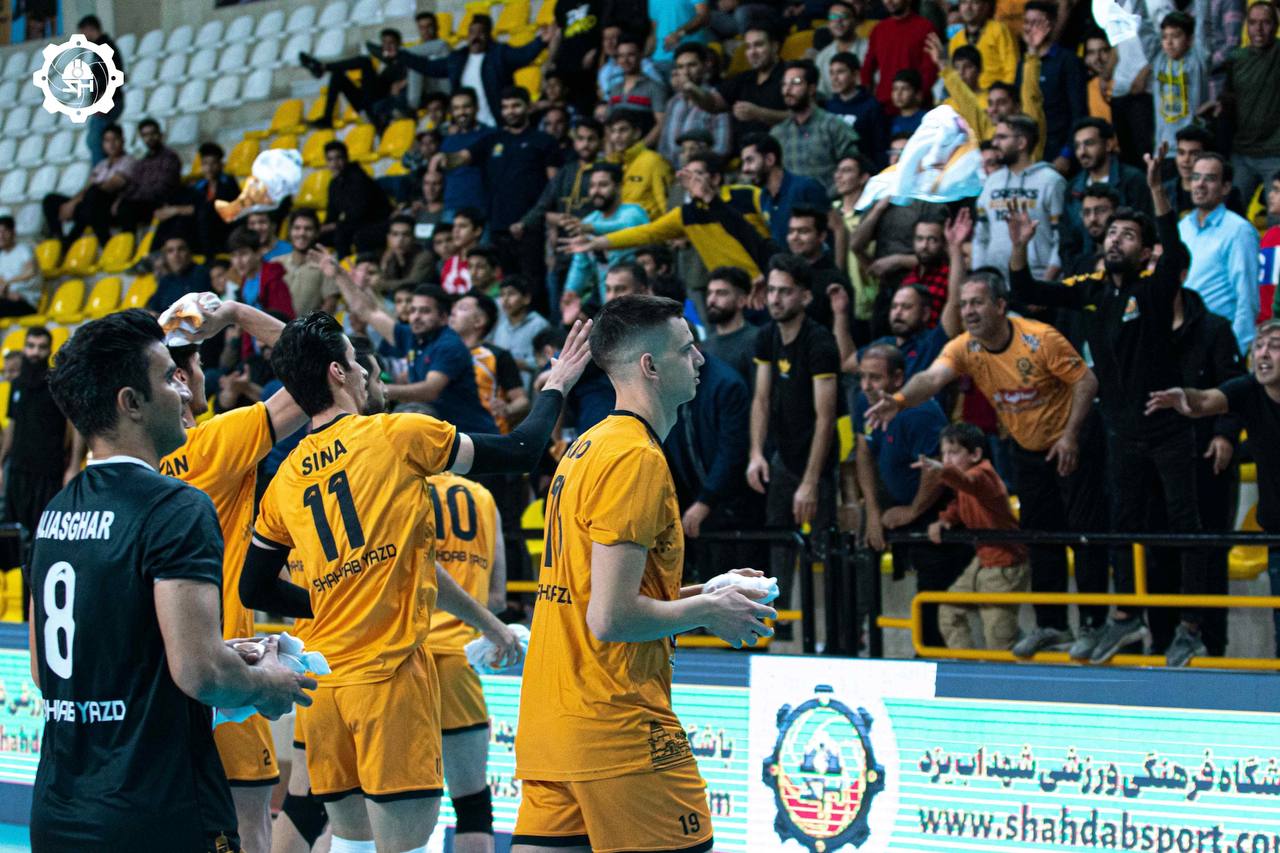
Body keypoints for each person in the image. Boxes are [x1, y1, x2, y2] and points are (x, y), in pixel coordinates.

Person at [238, 311, 593, 852]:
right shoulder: (396, 434)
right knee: (410, 842)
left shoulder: (285, 479)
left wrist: (333, 600)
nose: (365, 372)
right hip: (389, 676)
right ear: (338, 371)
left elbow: (254, 589)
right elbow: (522, 451)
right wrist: (557, 385)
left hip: (327, 684)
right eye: (356, 361)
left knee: (351, 842)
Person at [31, 310, 312, 851]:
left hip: (61, 808)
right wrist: (268, 684)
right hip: (158, 807)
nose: (182, 391)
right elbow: (201, 674)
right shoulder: (176, 506)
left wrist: (218, 649)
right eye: (167, 378)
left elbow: (51, 674)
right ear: (130, 403)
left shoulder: (56, 511)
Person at [512, 295, 775, 852]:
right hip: (618, 726)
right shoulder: (634, 458)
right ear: (650, 366)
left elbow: (593, 591)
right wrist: (708, 612)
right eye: (686, 349)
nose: (700, 359)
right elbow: (611, 618)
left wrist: (708, 590)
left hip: (551, 726)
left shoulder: (586, 446)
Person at [1007, 150, 1212, 666]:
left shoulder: (1156, 287)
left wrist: (1157, 190)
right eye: (1112, 233)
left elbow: (1175, 253)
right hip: (1121, 431)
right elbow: (1027, 289)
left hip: (1167, 429)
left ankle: (1191, 626)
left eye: (1128, 235)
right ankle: (1124, 618)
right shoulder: (1092, 290)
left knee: (1185, 526)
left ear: (1146, 251)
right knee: (1120, 526)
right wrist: (1020, 248)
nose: (1116, 240)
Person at [865, 267, 1103, 661]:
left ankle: (1094, 624)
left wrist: (1071, 436)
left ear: (1001, 305)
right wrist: (900, 400)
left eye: (977, 302)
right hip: (1028, 450)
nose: (969, 311)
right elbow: (931, 378)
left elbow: (1087, 382)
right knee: (1040, 538)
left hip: (1072, 444)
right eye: (963, 305)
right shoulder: (965, 347)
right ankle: (1053, 625)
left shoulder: (1039, 338)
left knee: (1084, 536)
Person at [154, 298, 307, 853]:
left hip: (149, 682)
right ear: (179, 380)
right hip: (224, 667)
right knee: (248, 828)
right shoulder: (214, 443)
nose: (203, 374)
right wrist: (239, 315)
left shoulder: (112, 471)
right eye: (196, 364)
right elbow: (316, 373)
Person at [1147, 319, 1280, 656]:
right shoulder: (1249, 390)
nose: (1263, 354)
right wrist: (1185, 396)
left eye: (1275, 346)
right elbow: (1206, 400)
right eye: (1259, 346)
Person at [748, 254, 839, 617]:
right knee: (779, 546)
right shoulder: (766, 336)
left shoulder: (820, 342)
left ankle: (831, 630)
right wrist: (756, 453)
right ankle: (779, 626)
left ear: (805, 296)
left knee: (822, 549)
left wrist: (811, 482)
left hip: (819, 464)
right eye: (771, 290)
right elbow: (761, 399)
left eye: (785, 291)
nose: (775, 298)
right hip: (782, 457)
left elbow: (826, 417)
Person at [853, 343, 957, 648]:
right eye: (862, 377)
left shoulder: (921, 412)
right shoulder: (864, 401)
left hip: (935, 507)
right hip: (893, 498)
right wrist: (873, 512)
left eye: (875, 378)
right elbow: (863, 452)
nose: (866, 385)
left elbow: (935, 471)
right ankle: (853, 637)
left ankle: (932, 655)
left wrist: (912, 511)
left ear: (898, 379)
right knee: (857, 551)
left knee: (932, 593)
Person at [425, 472, 506, 853]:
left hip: (399, 658)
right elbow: (497, 597)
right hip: (459, 657)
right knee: (473, 806)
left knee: (361, 804)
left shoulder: (394, 485)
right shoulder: (483, 497)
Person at [565, 153, 773, 288]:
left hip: (766, 281)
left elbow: (774, 230)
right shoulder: (687, 214)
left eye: (697, 175)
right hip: (728, 290)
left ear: (715, 178)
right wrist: (596, 242)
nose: (690, 182)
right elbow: (645, 233)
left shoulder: (747, 195)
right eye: (687, 176)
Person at [334, 264, 497, 434]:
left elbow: (429, 391)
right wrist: (338, 274)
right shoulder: (414, 335)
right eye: (413, 310)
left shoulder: (449, 344)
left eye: (425, 311)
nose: (416, 317)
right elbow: (368, 311)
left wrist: (377, 389)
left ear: (444, 317)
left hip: (474, 435)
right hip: (444, 433)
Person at [919, 421, 1029, 650]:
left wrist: (942, 470)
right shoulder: (965, 481)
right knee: (948, 611)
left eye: (953, 453)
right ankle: (966, 665)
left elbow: (969, 483)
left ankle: (1007, 659)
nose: (947, 459)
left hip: (1004, 565)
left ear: (976, 454)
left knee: (999, 641)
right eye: (944, 454)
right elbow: (961, 501)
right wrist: (945, 520)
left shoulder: (983, 475)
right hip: (983, 560)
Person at [435, 87, 561, 282]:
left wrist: (549, 223)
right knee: (505, 283)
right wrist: (442, 159)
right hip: (499, 226)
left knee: (534, 283)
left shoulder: (544, 141)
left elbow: (554, 186)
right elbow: (461, 157)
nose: (510, 111)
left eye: (516, 106)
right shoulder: (492, 140)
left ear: (528, 107)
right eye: (505, 107)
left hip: (532, 226)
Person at [664, 339, 759, 583]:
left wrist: (705, 501)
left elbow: (732, 452)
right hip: (693, 501)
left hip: (732, 507)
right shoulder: (671, 384)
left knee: (735, 584)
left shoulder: (726, 384)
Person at [1178, 152, 1261, 354]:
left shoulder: (1239, 230)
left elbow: (1247, 298)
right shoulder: (1182, 227)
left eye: (1210, 178)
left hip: (1219, 343)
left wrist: (1236, 351)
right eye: (1196, 177)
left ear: (1225, 187)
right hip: (1183, 340)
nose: (1200, 184)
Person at [411, 14, 555, 128]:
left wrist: (541, 41)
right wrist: (403, 56)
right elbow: (429, 67)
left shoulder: (499, 54)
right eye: (472, 32)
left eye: (481, 32)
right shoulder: (458, 58)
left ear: (489, 35)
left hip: (497, 124)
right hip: (469, 127)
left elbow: (523, 54)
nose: (476, 36)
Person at [1, 327, 70, 552]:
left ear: (49, 350)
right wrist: (1, 463)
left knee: (43, 536)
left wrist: (71, 465)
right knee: (14, 536)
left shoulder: (56, 383)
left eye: (41, 347)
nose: (35, 352)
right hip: (19, 470)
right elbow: (12, 425)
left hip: (48, 471)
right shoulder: (17, 384)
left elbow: (72, 426)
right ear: (24, 348)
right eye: (31, 346)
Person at [972, 114, 1066, 280]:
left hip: (1037, 278)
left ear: (1021, 142)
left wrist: (1046, 283)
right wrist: (980, 276)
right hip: (996, 281)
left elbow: (1061, 239)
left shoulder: (1051, 181)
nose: (995, 144)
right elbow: (981, 236)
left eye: (1002, 137)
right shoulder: (991, 182)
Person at [1205, 0, 1280, 203]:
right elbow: (1228, 98)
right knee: (1230, 211)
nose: (1259, 29)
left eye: (1266, 23)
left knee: (1277, 217)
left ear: (1276, 26)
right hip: (1241, 154)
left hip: (1275, 154)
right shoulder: (1236, 59)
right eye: (1253, 22)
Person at [683, 23, 787, 146]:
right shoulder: (743, 78)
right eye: (748, 47)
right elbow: (713, 104)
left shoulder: (789, 74)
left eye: (758, 45)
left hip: (780, 150)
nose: (752, 52)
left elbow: (800, 115)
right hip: (744, 152)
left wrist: (759, 113)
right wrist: (692, 89)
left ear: (774, 47)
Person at [1064, 118, 1153, 257]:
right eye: (1077, 146)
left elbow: (1146, 229)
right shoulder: (1072, 188)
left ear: (1109, 144)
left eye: (1089, 143)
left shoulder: (1133, 180)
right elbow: (1067, 242)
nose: (1082, 152)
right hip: (1085, 266)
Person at [770, 60, 862, 194]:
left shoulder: (834, 126)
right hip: (791, 204)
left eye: (795, 82)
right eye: (784, 84)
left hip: (830, 202)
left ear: (812, 89)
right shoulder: (778, 133)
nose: (787, 90)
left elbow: (853, 169)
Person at [563, 163, 650, 303]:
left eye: (603, 185)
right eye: (592, 186)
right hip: (609, 303)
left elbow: (625, 228)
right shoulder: (588, 221)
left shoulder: (634, 212)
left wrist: (591, 228)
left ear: (618, 187)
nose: (595, 191)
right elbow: (580, 264)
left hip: (642, 302)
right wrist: (571, 291)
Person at [42, 123, 135, 249]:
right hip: (89, 205)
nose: (111, 144)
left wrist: (77, 202)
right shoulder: (101, 165)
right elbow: (87, 187)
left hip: (110, 206)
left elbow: (111, 185)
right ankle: (58, 239)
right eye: (107, 141)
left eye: (115, 139)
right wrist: (72, 203)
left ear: (123, 140)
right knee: (50, 200)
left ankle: (89, 242)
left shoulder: (129, 161)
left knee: (93, 195)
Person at [450, 291, 530, 433]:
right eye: (453, 307)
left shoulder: (498, 355)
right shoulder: (442, 353)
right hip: (451, 434)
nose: (453, 312)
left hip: (488, 436)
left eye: (462, 308)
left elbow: (522, 401)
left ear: (479, 321)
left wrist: (507, 409)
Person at [1018, 1, 1085, 169]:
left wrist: (1067, 153)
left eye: (1036, 22)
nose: (1029, 28)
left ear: (1052, 24)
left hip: (1058, 150)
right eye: (1027, 22)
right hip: (1028, 150)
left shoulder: (1067, 60)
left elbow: (1078, 111)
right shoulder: (1024, 63)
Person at [302, 29, 411, 130]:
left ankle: (323, 67)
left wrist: (403, 82)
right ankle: (326, 120)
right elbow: (371, 47)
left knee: (365, 62)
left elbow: (414, 75)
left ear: (399, 44)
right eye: (384, 43)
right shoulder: (388, 60)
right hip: (366, 102)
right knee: (337, 74)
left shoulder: (407, 61)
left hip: (378, 104)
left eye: (391, 43)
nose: (387, 47)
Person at [152, 142, 240, 258]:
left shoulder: (228, 182)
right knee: (171, 219)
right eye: (205, 164)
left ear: (221, 164)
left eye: (213, 163)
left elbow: (213, 207)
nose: (209, 168)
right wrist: (172, 210)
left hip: (220, 230)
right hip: (199, 231)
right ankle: (154, 254)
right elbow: (191, 205)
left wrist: (177, 210)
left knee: (198, 214)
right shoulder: (201, 186)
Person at [740, 133, 828, 247]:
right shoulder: (763, 197)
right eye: (744, 162)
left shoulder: (806, 187)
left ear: (770, 159)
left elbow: (837, 228)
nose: (745, 169)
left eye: (750, 160)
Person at [861, 0, 937, 110]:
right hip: (883, 105)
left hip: (916, 106)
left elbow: (930, 69)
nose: (889, 1)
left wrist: (918, 96)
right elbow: (867, 67)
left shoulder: (925, 27)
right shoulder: (878, 29)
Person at [662, 43, 732, 163]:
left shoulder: (717, 100)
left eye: (692, 65)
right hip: (672, 170)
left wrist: (694, 166)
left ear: (705, 66)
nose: (686, 72)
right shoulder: (673, 102)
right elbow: (663, 147)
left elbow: (722, 149)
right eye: (680, 67)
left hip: (702, 171)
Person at [321, 141, 393, 257]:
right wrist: (321, 228)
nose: (334, 163)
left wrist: (335, 225)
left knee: (343, 234)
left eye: (338, 158)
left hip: (377, 222)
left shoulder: (358, 177)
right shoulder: (334, 184)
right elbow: (332, 213)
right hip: (355, 224)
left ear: (346, 158)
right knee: (316, 236)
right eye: (330, 160)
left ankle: (345, 266)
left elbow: (359, 213)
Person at [1152, 12, 1208, 157]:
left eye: (1175, 36)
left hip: (1192, 147)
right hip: (1163, 149)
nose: (1169, 42)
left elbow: (1203, 24)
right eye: (1165, 37)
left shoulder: (1197, 60)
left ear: (1190, 39)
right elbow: (1142, 29)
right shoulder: (1158, 60)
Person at [437, 89, 497, 217]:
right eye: (456, 108)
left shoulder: (491, 135)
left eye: (466, 107)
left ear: (477, 107)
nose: (461, 112)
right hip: (451, 207)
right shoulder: (448, 140)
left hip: (481, 207)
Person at [605, 34, 669, 148]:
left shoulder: (655, 87)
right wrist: (610, 152)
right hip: (619, 154)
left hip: (645, 154)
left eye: (631, 55)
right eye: (621, 56)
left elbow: (662, 124)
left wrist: (639, 149)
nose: (625, 60)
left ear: (641, 55)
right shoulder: (614, 89)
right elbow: (608, 125)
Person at [823, 52, 886, 168]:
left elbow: (879, 147)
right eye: (831, 73)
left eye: (840, 72)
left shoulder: (872, 106)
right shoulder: (828, 106)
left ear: (855, 75)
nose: (834, 78)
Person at [78, 15, 126, 166]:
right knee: (96, 140)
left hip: (108, 102)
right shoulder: (100, 48)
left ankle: (101, 172)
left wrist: (102, 100)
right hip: (106, 101)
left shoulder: (105, 47)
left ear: (90, 29)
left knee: (96, 140)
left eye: (83, 32)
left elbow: (111, 76)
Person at [702, 265, 760, 385]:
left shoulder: (757, 340)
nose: (712, 300)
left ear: (741, 301)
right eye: (709, 293)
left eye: (721, 293)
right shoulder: (707, 344)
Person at [277, 209, 339, 315]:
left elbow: (331, 303)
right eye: (297, 228)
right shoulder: (276, 263)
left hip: (311, 325)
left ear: (316, 233)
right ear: (289, 232)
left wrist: (313, 325)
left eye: (308, 229)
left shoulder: (326, 265)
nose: (302, 233)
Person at [493, 276, 551, 389]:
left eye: (511, 294)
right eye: (502, 295)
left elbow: (548, 360)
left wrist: (518, 363)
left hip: (533, 389)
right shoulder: (500, 327)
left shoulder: (539, 325)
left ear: (526, 298)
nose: (505, 300)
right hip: (506, 391)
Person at [949, 0, 1017, 91]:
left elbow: (1012, 68)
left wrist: (1005, 93)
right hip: (967, 96)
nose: (968, 7)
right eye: (964, 2)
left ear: (985, 7)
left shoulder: (999, 30)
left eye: (975, 3)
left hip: (996, 94)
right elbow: (954, 75)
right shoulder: (955, 40)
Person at [815, 0, 871, 97]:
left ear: (855, 21)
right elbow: (822, 94)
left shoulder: (871, 48)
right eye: (833, 17)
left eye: (844, 17)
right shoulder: (822, 57)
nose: (838, 21)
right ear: (828, 24)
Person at [146, 236, 212, 313]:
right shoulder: (165, 280)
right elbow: (153, 308)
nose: (176, 254)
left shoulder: (202, 274)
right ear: (165, 257)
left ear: (189, 253)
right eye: (170, 251)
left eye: (181, 249)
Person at [379, 214, 435, 296]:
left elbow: (412, 283)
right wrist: (384, 265)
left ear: (414, 237)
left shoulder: (425, 256)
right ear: (389, 238)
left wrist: (381, 284)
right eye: (395, 234)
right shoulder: (389, 255)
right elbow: (382, 279)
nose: (400, 240)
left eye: (406, 235)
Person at [0, 215, 40, 317]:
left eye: (5, 231)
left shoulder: (24, 250)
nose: (1, 236)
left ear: (13, 232)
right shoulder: (1, 256)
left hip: (26, 301)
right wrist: (5, 293)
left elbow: (31, 272)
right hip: (7, 299)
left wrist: (8, 282)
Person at [441, 208, 485, 295]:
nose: (456, 231)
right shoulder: (449, 263)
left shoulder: (487, 263)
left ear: (477, 231)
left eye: (462, 226)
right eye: (454, 226)